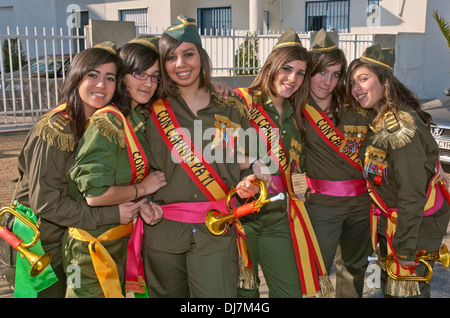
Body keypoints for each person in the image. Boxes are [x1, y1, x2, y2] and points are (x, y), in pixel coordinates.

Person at [4, 42, 146, 298]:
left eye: (110, 78)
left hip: (67, 238)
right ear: (76, 77)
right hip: (38, 242)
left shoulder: (102, 122)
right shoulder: (56, 129)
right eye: (92, 74)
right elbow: (45, 204)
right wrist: (110, 214)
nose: (101, 85)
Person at [140, 14, 256, 298]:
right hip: (163, 231)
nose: (180, 64)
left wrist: (251, 179)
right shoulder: (147, 112)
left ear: (201, 57)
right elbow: (132, 167)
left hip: (216, 233)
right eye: (171, 57)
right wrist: (140, 199)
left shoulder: (232, 108)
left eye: (188, 54)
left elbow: (254, 161)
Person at [62, 35, 167, 298]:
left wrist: (142, 205)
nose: (149, 82)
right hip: (89, 250)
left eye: (155, 76)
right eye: (139, 73)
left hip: (116, 241)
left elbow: (119, 177)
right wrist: (142, 189)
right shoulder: (107, 123)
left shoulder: (132, 118)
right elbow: (95, 194)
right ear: (122, 77)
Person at [233, 29, 333, 298]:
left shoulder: (296, 115)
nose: (292, 79)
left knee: (290, 292)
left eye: (300, 73)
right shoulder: (242, 102)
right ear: (271, 67)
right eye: (286, 69)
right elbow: (210, 149)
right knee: (246, 295)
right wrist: (250, 162)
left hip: (278, 216)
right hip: (242, 215)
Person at [347, 43, 450, 297]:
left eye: (363, 79)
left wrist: (405, 249)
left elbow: (412, 193)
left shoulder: (400, 128)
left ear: (385, 81)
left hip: (412, 230)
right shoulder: (381, 117)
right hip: (392, 225)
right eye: (352, 83)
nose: (356, 88)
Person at [301, 29, 372, 297]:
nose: (328, 81)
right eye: (321, 72)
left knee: (354, 268)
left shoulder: (355, 106)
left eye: (336, 74)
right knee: (317, 271)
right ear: (309, 72)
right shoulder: (296, 108)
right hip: (322, 206)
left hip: (361, 204)